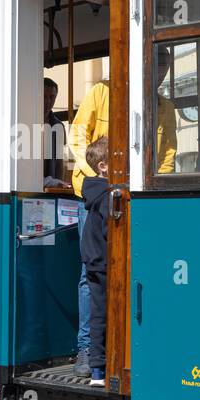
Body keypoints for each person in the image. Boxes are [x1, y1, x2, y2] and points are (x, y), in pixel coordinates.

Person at [66, 52, 178, 375]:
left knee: (133, 272)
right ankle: (87, 349)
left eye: (163, 71)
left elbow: (167, 154)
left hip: (135, 200)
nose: (157, 77)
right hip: (98, 197)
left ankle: (123, 345)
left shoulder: (165, 108)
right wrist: (101, 180)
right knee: (92, 274)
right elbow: (77, 137)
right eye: (155, 69)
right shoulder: (101, 92)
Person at [79, 138, 111, 389]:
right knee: (100, 314)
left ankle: (99, 368)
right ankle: (98, 370)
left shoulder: (94, 193)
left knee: (99, 313)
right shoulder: (107, 196)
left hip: (94, 261)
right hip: (102, 263)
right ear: (103, 166)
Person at [42, 79, 69, 189]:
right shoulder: (27, 121)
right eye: (44, 96)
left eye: (52, 97)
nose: (48, 101)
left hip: (51, 188)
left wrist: (59, 183)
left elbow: (59, 161)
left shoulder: (59, 125)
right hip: (29, 186)